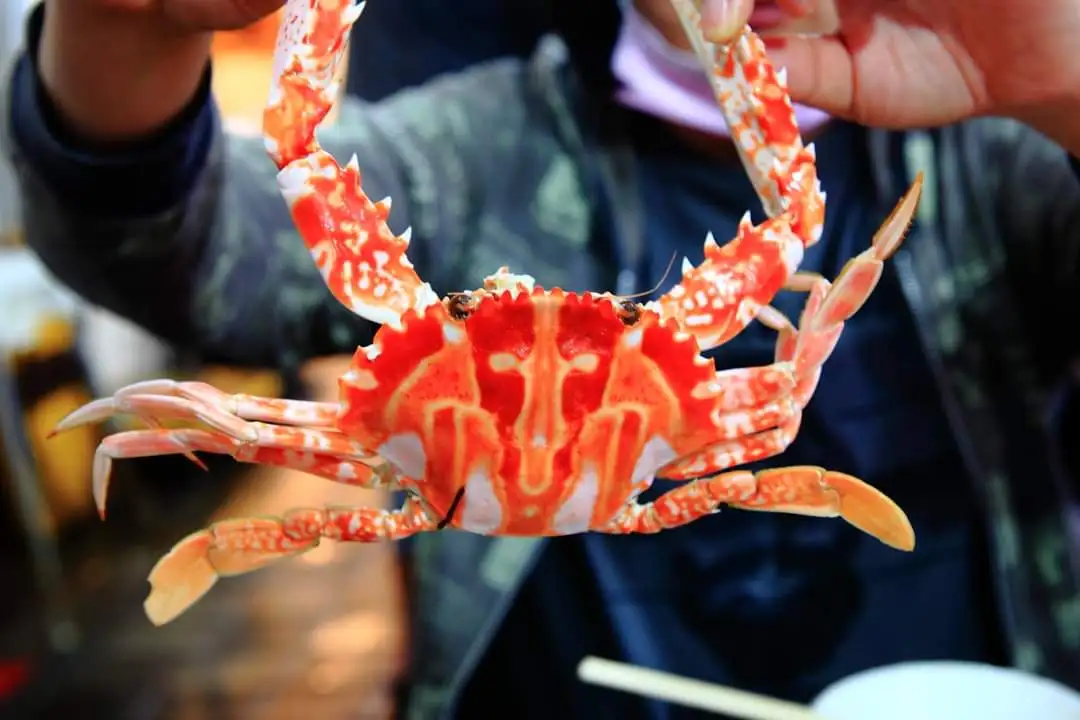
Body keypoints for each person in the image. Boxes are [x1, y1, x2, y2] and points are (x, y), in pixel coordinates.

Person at [4, 0, 1080, 717]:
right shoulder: (478, 150)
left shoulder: (1005, 153)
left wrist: (1061, 89)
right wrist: (121, 23)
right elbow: (182, 251)